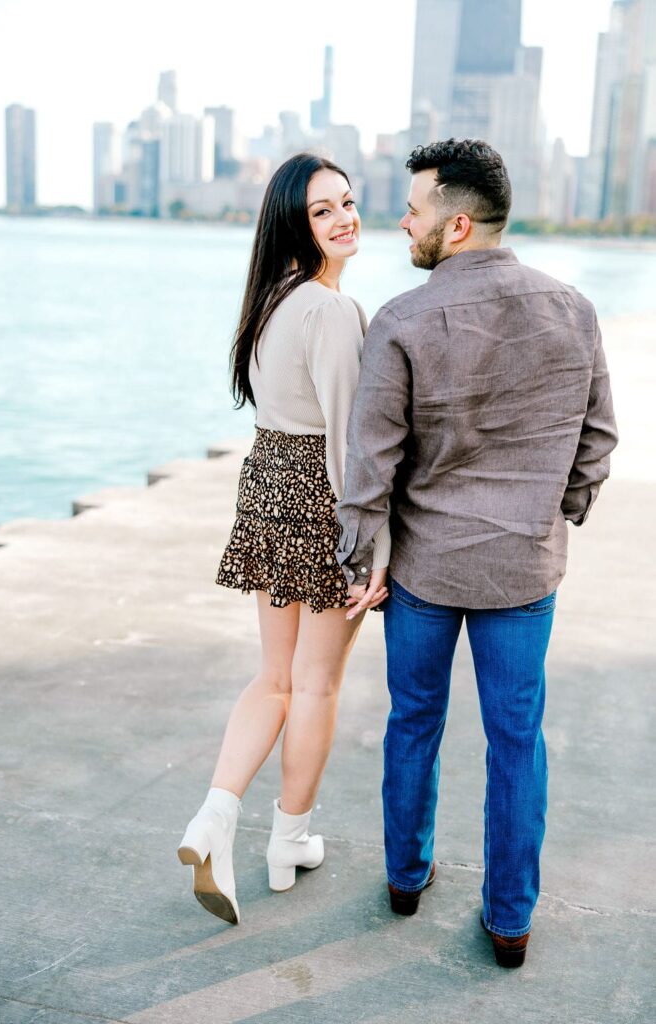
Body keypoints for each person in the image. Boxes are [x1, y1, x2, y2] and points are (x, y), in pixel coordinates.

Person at [337, 138, 618, 967]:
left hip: (424, 569)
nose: (400, 220)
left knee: (413, 722)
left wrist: (362, 559)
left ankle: (403, 878)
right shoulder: (572, 309)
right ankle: (509, 922)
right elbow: (598, 438)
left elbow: (371, 464)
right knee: (516, 741)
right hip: (523, 570)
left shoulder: (400, 319)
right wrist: (549, 511)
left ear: (455, 224)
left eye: (413, 208)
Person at [178, 153, 390, 925]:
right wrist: (373, 550)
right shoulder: (331, 310)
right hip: (316, 495)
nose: (344, 219)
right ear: (292, 226)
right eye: (321, 212)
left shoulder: (271, 298)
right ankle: (287, 839)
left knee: (275, 676)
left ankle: (214, 816)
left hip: (268, 482)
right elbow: (348, 444)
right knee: (315, 683)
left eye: (346, 203)